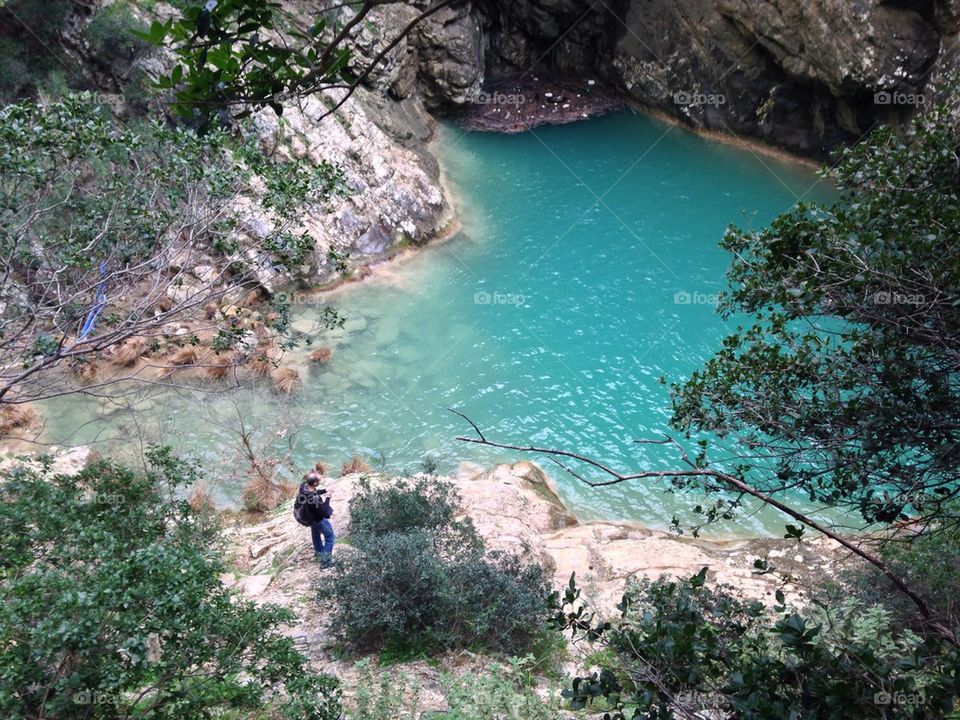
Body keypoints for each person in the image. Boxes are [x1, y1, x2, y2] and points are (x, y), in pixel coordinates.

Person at [298, 471, 335, 567]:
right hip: (318, 520)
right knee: (330, 537)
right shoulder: (315, 499)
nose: (320, 480)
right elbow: (324, 512)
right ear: (314, 483)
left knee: (316, 535)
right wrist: (327, 498)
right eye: (319, 480)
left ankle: (318, 554)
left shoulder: (303, 487)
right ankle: (325, 563)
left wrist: (324, 490)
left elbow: (313, 491)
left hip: (310, 518)